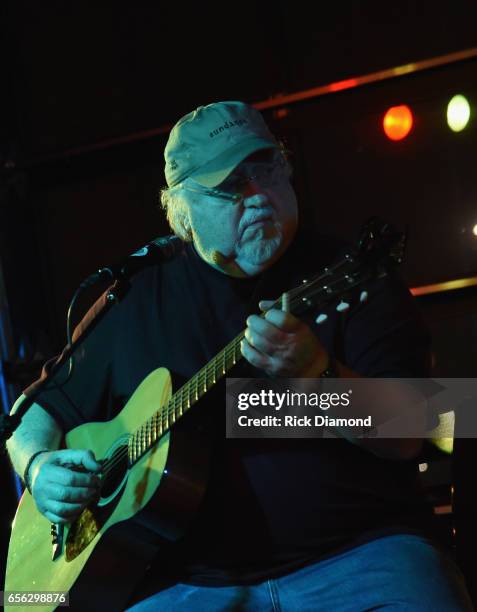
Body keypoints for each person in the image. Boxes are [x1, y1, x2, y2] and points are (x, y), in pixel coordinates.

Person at [6, 101, 473, 611]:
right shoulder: (131, 298)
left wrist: (319, 377)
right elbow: (31, 413)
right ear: (180, 213)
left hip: (361, 556)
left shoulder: (353, 275)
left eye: (266, 170)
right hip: (191, 584)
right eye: (229, 186)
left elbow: (426, 427)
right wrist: (37, 467)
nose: (256, 197)